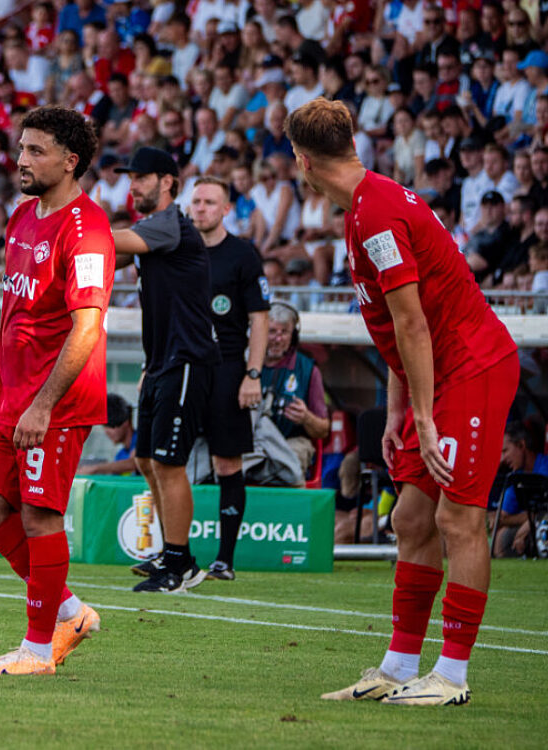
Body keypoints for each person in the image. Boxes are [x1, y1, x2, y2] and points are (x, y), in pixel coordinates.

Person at [287, 99, 519, 707]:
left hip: (471, 368)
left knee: (458, 519)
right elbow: (397, 327)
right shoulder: (366, 206)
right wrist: (397, 407)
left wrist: (418, 410)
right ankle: (397, 666)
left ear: (302, 161)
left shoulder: (378, 215)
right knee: (411, 520)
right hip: (435, 375)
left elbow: (413, 323)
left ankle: (453, 676)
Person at [0, 106, 112, 676]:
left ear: (70, 161)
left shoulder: (88, 231)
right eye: (21, 148)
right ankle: (70, 609)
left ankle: (36, 651)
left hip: (55, 401)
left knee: (39, 518)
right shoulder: (23, 215)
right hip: (10, 395)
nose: (22, 160)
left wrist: (43, 405)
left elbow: (87, 325)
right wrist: (1, 388)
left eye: (36, 151)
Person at [111, 146, 220, 594]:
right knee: (144, 458)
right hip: (160, 362)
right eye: (130, 178)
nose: (132, 185)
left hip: (188, 359)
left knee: (170, 464)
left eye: (141, 178)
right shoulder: (150, 229)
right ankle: (175, 554)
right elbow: (107, 256)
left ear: (168, 182)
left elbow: (109, 245)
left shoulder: (170, 224)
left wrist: (64, 220)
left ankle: (178, 565)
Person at [188, 177, 270, 581]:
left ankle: (224, 558)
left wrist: (252, 373)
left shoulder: (242, 254)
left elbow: (260, 318)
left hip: (226, 369)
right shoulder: (178, 251)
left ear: (225, 210)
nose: (200, 208)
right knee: (165, 459)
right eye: (196, 201)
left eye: (209, 202)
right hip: (182, 366)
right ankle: (175, 556)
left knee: (226, 460)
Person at [260, 302, 330, 475]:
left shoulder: (308, 370)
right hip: (252, 441)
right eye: (272, 331)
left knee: (286, 464)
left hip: (291, 441)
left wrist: (306, 418)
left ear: (294, 336)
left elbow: (323, 429)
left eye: (284, 332)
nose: (278, 338)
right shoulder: (244, 364)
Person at [493, 420, 548, 557]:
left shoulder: (545, 467)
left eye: (505, 451)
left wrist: (533, 521)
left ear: (521, 445)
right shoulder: (516, 476)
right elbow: (501, 518)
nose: (502, 459)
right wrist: (533, 518)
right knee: (501, 535)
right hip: (532, 528)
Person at [78, 394, 137, 475]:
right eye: (104, 426)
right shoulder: (120, 455)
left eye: (111, 425)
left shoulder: (142, 441)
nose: (106, 431)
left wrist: (95, 469)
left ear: (125, 421)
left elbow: (135, 462)